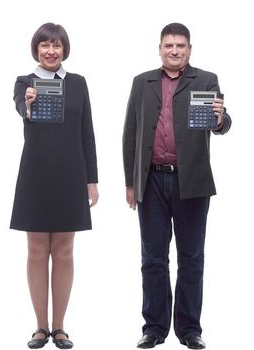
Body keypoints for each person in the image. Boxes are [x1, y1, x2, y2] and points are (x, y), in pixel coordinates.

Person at [123, 22, 231, 350]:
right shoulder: (142, 83)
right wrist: (131, 182)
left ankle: (189, 330)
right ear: (159, 48)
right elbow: (130, 134)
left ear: (189, 50)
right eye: (168, 45)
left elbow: (222, 125)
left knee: (191, 257)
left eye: (180, 46)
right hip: (152, 181)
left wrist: (220, 118)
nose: (174, 50)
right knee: (153, 257)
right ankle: (154, 328)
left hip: (192, 183)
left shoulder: (206, 80)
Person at [10, 22, 98, 350]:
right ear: (36, 49)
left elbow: (86, 132)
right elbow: (21, 108)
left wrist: (92, 179)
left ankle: (59, 327)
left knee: (63, 251)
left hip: (71, 173)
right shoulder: (25, 83)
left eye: (56, 45)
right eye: (45, 45)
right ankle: (40, 327)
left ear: (64, 49)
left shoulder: (78, 84)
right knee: (36, 250)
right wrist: (29, 102)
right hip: (35, 173)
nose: (51, 51)